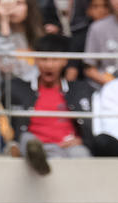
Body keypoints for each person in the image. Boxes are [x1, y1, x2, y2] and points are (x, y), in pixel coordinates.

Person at [7, 33, 94, 173]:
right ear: (35, 59)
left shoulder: (80, 90)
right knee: (27, 140)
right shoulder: (18, 88)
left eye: (54, 59)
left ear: (65, 60)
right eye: (44, 59)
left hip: (68, 146)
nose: (49, 65)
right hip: (36, 147)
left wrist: (82, 140)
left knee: (81, 154)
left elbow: (93, 127)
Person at [0, 0, 43, 92]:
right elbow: (9, 68)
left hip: (33, 93)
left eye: (18, 3)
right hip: (2, 94)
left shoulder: (38, 35)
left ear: (30, 6)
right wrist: (4, 25)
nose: (12, 8)